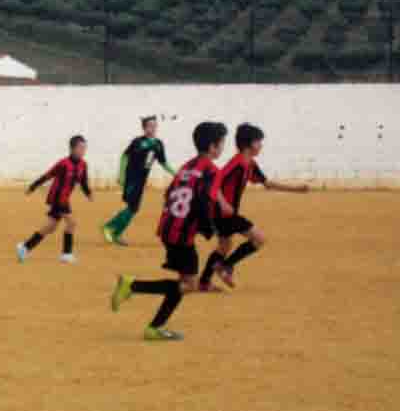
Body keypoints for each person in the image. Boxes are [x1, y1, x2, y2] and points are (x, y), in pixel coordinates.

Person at [110, 122, 232, 341]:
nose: (223, 147)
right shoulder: (212, 171)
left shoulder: (187, 166)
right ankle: (131, 286)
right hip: (181, 234)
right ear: (213, 147)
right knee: (189, 284)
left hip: (168, 227)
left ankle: (154, 327)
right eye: (222, 143)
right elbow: (204, 200)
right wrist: (208, 229)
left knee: (184, 282)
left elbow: (169, 193)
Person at [199, 123, 309, 291]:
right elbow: (214, 182)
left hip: (224, 213)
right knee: (259, 239)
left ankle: (204, 282)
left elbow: (267, 183)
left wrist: (296, 190)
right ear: (248, 144)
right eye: (258, 142)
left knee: (224, 245)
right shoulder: (236, 163)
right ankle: (224, 267)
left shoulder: (250, 164)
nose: (261, 146)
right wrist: (222, 203)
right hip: (222, 213)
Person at [16, 135, 93, 265]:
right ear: (72, 149)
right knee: (72, 223)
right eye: (81, 148)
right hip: (57, 198)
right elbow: (47, 175)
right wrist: (33, 186)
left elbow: (83, 182)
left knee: (50, 227)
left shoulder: (83, 165)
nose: (83, 151)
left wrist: (88, 193)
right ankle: (66, 254)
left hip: (65, 199)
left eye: (85, 148)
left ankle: (25, 247)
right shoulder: (63, 164)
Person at [102, 116, 176, 246]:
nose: (153, 128)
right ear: (144, 128)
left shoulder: (158, 144)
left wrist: (176, 174)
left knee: (133, 208)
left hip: (141, 180)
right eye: (149, 126)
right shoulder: (137, 142)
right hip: (131, 178)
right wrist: (121, 175)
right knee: (133, 207)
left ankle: (115, 232)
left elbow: (163, 163)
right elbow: (125, 156)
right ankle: (110, 228)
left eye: (154, 125)